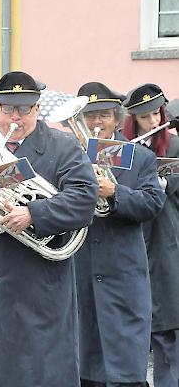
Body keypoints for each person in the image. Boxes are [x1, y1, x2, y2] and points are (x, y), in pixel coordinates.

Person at [0, 71, 99, 387]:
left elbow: (84, 198)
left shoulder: (62, 147)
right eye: (8, 108)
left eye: (24, 109)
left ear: (37, 110)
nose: (16, 116)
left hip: (38, 280)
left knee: (39, 371)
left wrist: (33, 212)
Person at [72, 82, 165, 387]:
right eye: (90, 116)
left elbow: (152, 203)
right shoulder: (70, 156)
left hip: (123, 275)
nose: (97, 123)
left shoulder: (139, 157)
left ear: (116, 117)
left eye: (103, 115)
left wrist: (115, 192)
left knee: (126, 372)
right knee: (85, 369)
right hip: (80, 274)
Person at [122, 83, 179, 387]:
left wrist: (167, 184)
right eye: (145, 117)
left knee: (168, 330)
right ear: (133, 120)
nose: (154, 122)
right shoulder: (122, 149)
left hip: (166, 243)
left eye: (157, 113)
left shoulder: (175, 146)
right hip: (132, 240)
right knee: (133, 326)